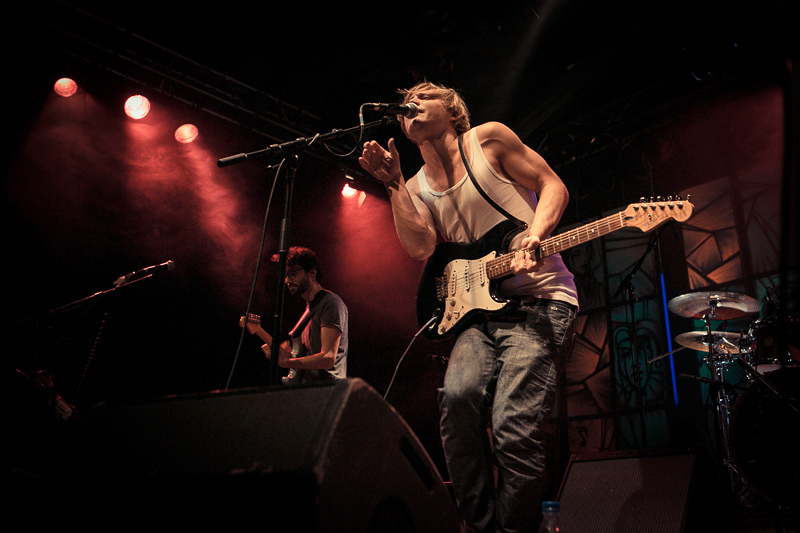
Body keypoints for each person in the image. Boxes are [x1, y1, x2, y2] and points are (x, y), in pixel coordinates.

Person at [359, 81, 578, 532]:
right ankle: (480, 527)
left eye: (423, 95)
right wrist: (396, 185)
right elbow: (421, 248)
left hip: (540, 300)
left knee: (513, 427)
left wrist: (536, 233)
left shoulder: (488, 140)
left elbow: (551, 184)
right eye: (407, 104)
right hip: (478, 315)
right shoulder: (416, 183)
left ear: (453, 109)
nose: (411, 105)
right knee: (457, 405)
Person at [261, 246, 348, 383]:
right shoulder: (310, 308)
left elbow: (328, 358)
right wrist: (285, 355)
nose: (287, 281)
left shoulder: (330, 303)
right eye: (285, 275)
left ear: (312, 272)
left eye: (293, 273)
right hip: (311, 390)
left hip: (327, 391)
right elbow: (310, 356)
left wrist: (288, 362)